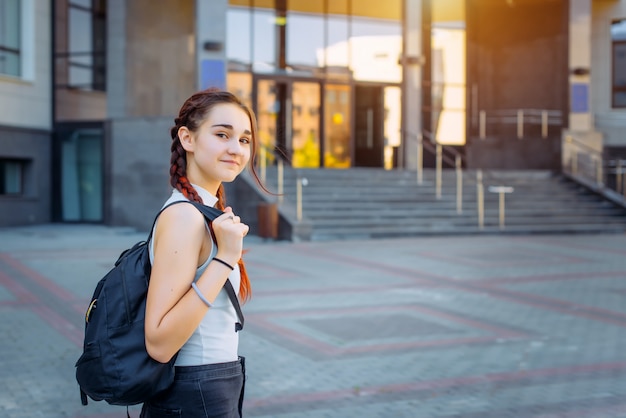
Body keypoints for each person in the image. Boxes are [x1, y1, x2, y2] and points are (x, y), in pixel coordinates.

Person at [141, 88, 263, 418]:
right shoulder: (184, 216)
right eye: (222, 134)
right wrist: (224, 258)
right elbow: (160, 342)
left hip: (211, 386)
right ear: (188, 138)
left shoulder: (202, 210)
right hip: (195, 392)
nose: (236, 149)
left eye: (244, 140)